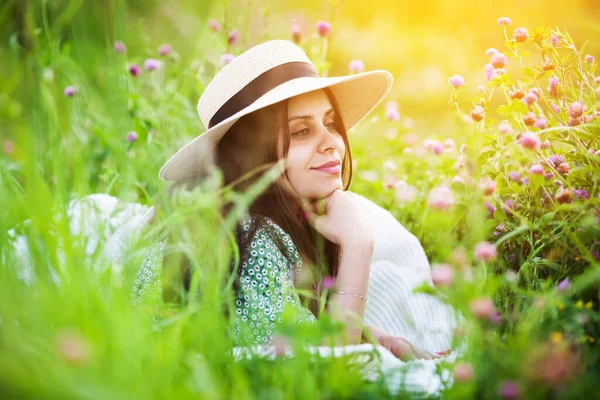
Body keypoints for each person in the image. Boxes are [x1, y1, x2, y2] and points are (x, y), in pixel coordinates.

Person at [131, 39, 456, 361]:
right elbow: (329, 372)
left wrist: (372, 335)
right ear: (252, 154)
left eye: (330, 123)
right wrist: (359, 246)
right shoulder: (249, 237)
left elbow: (275, 318)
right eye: (301, 131)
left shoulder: (265, 219)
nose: (331, 142)